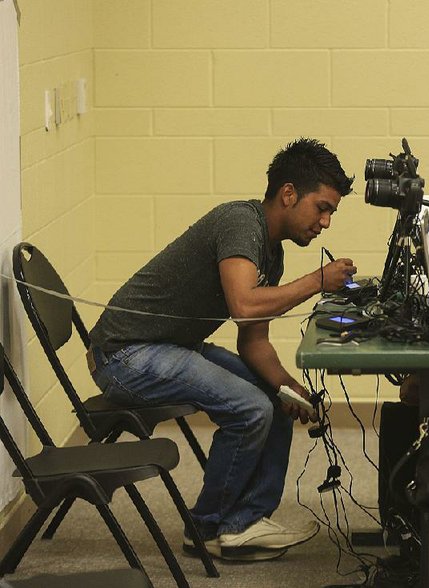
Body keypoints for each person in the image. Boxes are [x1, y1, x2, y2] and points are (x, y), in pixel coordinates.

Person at [87, 138, 356, 561]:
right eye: (322, 208)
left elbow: (253, 338)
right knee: (251, 408)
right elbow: (244, 304)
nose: (325, 222)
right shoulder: (240, 223)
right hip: (125, 356)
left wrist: (287, 385)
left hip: (170, 347)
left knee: (273, 401)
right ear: (288, 194)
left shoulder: (272, 253)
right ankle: (210, 527)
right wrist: (317, 281)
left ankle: (245, 521)